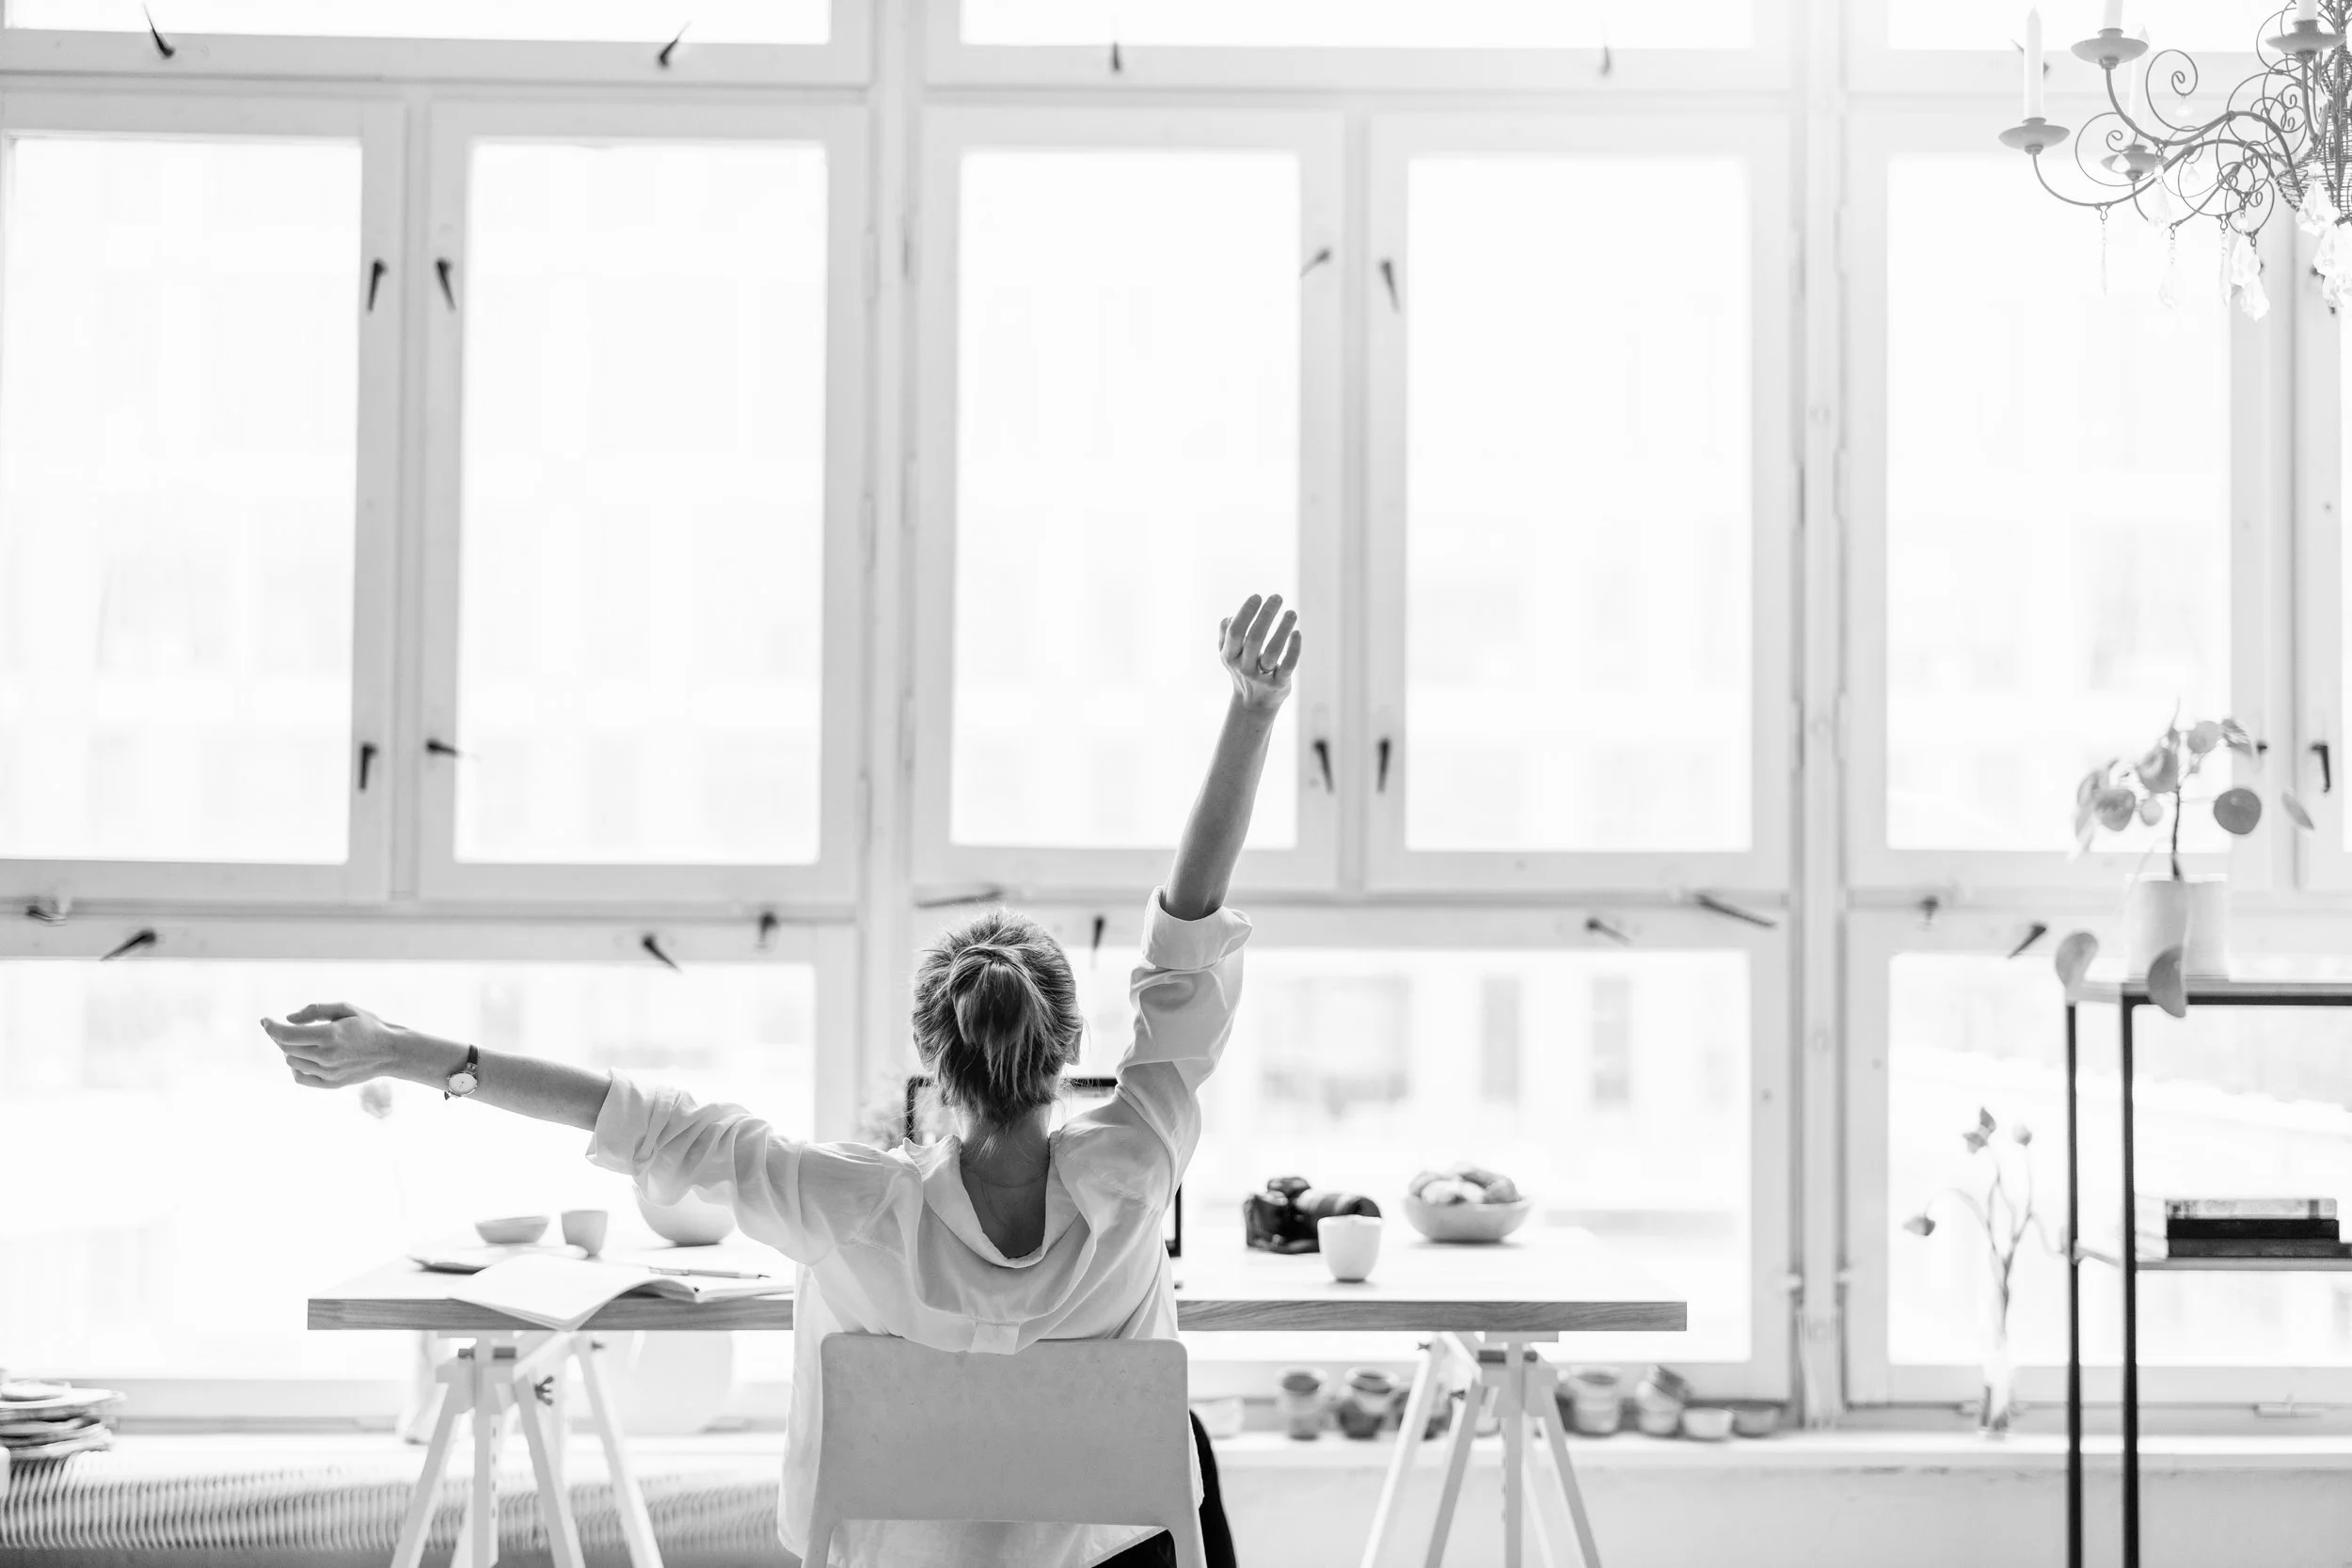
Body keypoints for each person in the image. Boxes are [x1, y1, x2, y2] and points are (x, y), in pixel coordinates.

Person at [262, 593, 1302, 1568]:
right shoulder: (1139, 1155)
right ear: (1065, 1047)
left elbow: (641, 1117)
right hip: (1099, 1563)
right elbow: (1185, 947)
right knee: (1187, 1439)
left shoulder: (852, 1202)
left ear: (932, 1063)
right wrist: (1253, 711)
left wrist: (401, 1046)